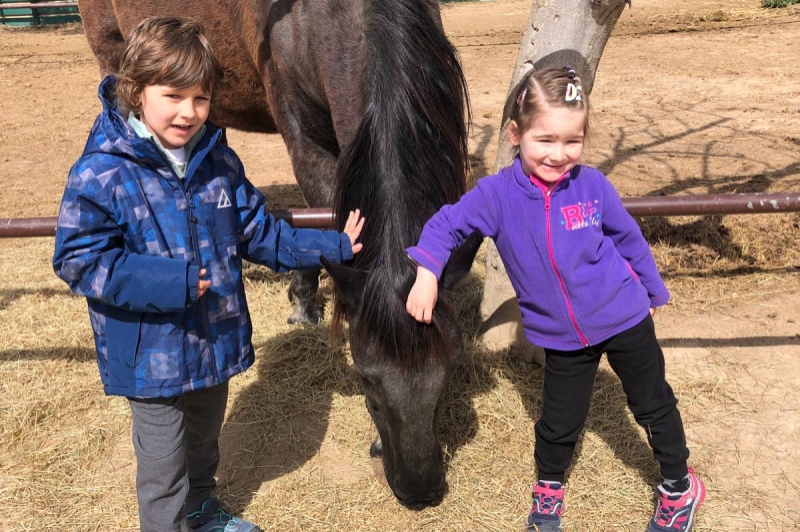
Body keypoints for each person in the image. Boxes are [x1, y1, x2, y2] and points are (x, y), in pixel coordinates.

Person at [52, 16, 364, 532]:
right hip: (150, 356)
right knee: (162, 468)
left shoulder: (217, 163)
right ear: (135, 90)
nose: (188, 112)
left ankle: (202, 512)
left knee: (202, 446)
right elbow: (79, 258)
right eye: (172, 95)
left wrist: (334, 246)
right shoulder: (101, 172)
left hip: (210, 341)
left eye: (200, 98)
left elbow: (262, 234)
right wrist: (167, 282)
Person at [405, 66, 705, 532]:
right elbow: (447, 225)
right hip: (562, 338)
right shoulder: (495, 196)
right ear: (514, 133)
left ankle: (678, 486)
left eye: (573, 141)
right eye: (545, 139)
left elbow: (628, 239)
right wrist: (427, 273)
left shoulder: (593, 186)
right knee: (558, 421)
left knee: (652, 405)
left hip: (625, 318)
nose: (559, 154)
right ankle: (548, 490)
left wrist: (651, 291)